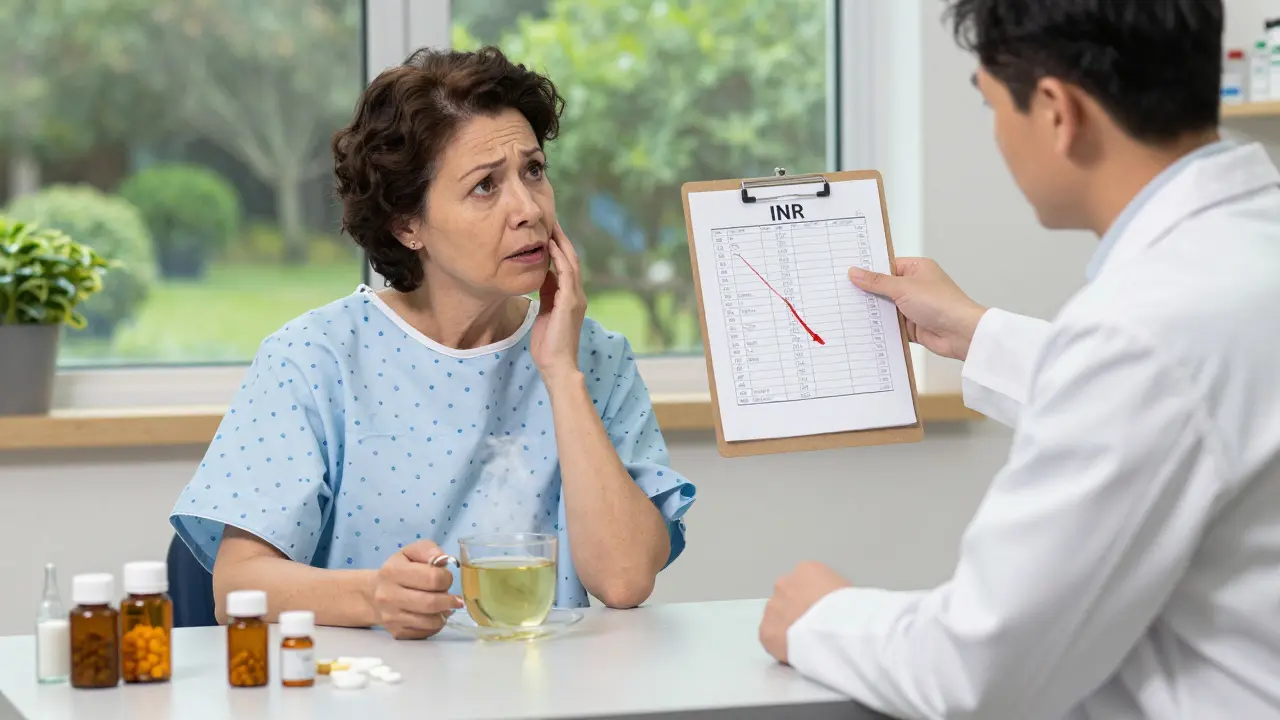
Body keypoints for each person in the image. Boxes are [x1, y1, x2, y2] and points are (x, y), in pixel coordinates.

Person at [760, 1, 1280, 718]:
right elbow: (1193, 411)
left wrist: (821, 617)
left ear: (1057, 111)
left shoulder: (1141, 330)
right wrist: (978, 333)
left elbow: (979, 673)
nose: (998, 137)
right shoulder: (1244, 255)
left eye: (992, 107)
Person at [169, 46, 695, 639]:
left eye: (533, 170)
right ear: (407, 224)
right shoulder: (315, 359)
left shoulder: (593, 355)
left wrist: (561, 373)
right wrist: (374, 596)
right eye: (484, 187)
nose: (528, 209)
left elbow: (625, 580)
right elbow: (236, 585)